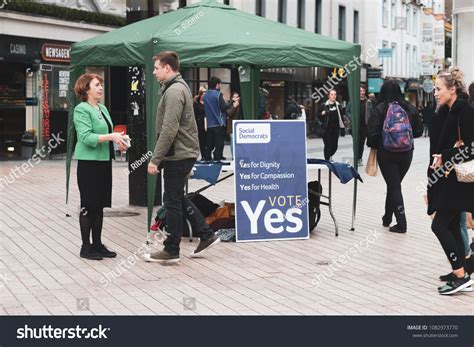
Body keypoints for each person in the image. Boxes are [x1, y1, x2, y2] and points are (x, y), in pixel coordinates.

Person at [145, 51, 220, 263]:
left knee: (172, 202)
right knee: (176, 197)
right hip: (181, 153)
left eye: (157, 68)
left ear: (167, 68)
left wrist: (155, 159)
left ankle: (171, 250)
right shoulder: (176, 87)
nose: (154, 72)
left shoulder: (174, 91)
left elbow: (169, 129)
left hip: (178, 155)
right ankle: (206, 234)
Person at [428, 66, 474, 295]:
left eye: (438, 88)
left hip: (459, 180)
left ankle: (460, 274)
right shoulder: (448, 110)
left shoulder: (464, 111)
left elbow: (472, 146)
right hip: (448, 178)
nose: (435, 92)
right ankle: (461, 270)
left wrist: (445, 155)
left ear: (452, 89)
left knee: (439, 225)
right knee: (451, 224)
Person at [73, 73, 126, 260]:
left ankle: (97, 244)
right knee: (88, 205)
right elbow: (85, 137)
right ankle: (85, 247)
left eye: (101, 85)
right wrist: (111, 137)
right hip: (89, 164)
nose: (101, 88)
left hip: (103, 162)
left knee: (100, 205)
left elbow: (108, 133)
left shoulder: (102, 108)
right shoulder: (81, 109)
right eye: (97, 85)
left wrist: (119, 141)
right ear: (86, 89)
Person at [367, 80, 423, 234]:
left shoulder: (380, 108)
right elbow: (418, 131)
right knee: (394, 185)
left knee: (394, 186)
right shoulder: (409, 108)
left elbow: (371, 134)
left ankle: (402, 223)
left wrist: (378, 142)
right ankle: (387, 217)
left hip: (387, 153)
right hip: (406, 153)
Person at [347, 84, 374, 166]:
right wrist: (352, 118)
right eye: (360, 91)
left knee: (361, 143)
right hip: (355, 125)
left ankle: (359, 158)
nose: (362, 92)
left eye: (363, 91)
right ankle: (356, 157)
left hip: (364, 126)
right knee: (356, 142)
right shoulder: (353, 100)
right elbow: (347, 111)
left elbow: (372, 113)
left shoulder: (368, 102)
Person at [203, 77, 229, 161]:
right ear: (217, 84)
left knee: (209, 143)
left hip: (210, 123)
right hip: (219, 122)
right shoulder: (218, 94)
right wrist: (231, 102)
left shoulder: (205, 95)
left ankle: (207, 157)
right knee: (219, 143)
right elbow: (223, 108)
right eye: (220, 84)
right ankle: (217, 158)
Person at [318, 89, 346, 160]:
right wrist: (322, 113)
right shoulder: (323, 105)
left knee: (335, 146)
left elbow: (341, 118)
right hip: (326, 129)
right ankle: (327, 159)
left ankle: (330, 155)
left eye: (335, 94)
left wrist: (342, 128)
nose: (333, 96)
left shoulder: (338, 105)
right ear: (328, 96)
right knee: (328, 145)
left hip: (335, 129)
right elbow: (317, 115)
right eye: (332, 94)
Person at [193, 86, 207, 160]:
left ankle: (207, 154)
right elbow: (195, 113)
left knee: (208, 140)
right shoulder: (196, 103)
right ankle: (203, 155)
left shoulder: (208, 102)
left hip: (207, 123)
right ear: (201, 94)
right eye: (203, 93)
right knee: (202, 140)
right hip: (200, 123)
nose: (205, 94)